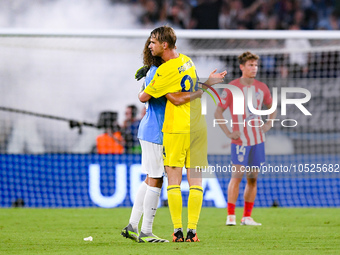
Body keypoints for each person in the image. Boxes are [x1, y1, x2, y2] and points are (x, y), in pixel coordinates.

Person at [139, 26, 226, 242]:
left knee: (174, 182)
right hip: (197, 126)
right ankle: (193, 232)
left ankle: (178, 231)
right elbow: (195, 87)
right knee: (196, 181)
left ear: (164, 44)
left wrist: (147, 82)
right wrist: (207, 85)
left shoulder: (163, 71)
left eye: (152, 42)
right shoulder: (188, 60)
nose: (150, 46)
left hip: (176, 128)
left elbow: (145, 98)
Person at [121, 36, 201, 243]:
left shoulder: (161, 70)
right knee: (156, 179)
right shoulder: (159, 72)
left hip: (155, 130)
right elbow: (153, 97)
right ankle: (145, 231)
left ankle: (132, 226)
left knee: (151, 178)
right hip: (157, 131)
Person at [214, 51, 277, 226]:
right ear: (242, 67)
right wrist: (228, 133)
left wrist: (268, 124)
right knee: (237, 176)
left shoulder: (262, 87)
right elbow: (218, 111)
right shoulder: (233, 87)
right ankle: (231, 216)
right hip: (240, 140)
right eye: (250, 65)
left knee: (253, 178)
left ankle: (247, 217)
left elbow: (272, 107)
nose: (254, 68)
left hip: (257, 140)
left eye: (256, 65)